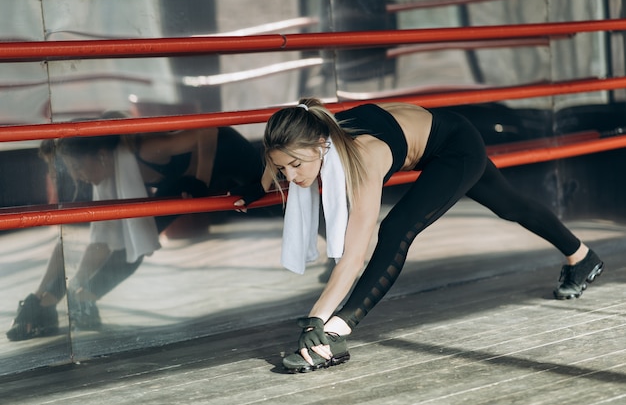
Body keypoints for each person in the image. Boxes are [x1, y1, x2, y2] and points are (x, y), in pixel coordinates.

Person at [233, 98, 605, 373]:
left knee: (395, 229)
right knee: (509, 205)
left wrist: (318, 317)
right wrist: (257, 185)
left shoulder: (363, 157)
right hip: (438, 134)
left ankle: (337, 332)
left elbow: (355, 253)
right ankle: (581, 256)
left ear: (320, 146)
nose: (292, 177)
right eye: (284, 169)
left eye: (296, 166)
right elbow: (275, 160)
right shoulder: (309, 131)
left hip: (455, 147)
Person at [6, 116, 264, 341]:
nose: (77, 176)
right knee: (139, 237)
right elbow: (103, 241)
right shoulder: (113, 171)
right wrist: (65, 289)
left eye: (77, 167)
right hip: (184, 181)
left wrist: (200, 179)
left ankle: (71, 298)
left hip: (230, 157)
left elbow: (209, 131)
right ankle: (60, 300)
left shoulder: (146, 149)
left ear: (102, 156)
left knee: (277, 196)